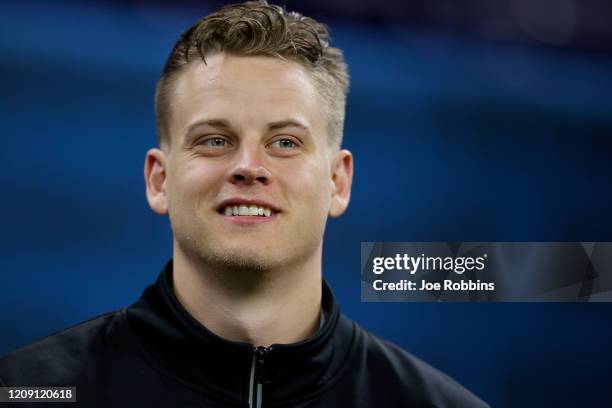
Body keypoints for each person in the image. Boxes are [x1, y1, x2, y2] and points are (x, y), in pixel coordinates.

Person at [0, 1, 489, 407]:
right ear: (159, 180)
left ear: (338, 182)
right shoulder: (26, 390)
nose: (249, 166)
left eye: (285, 143)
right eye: (215, 140)